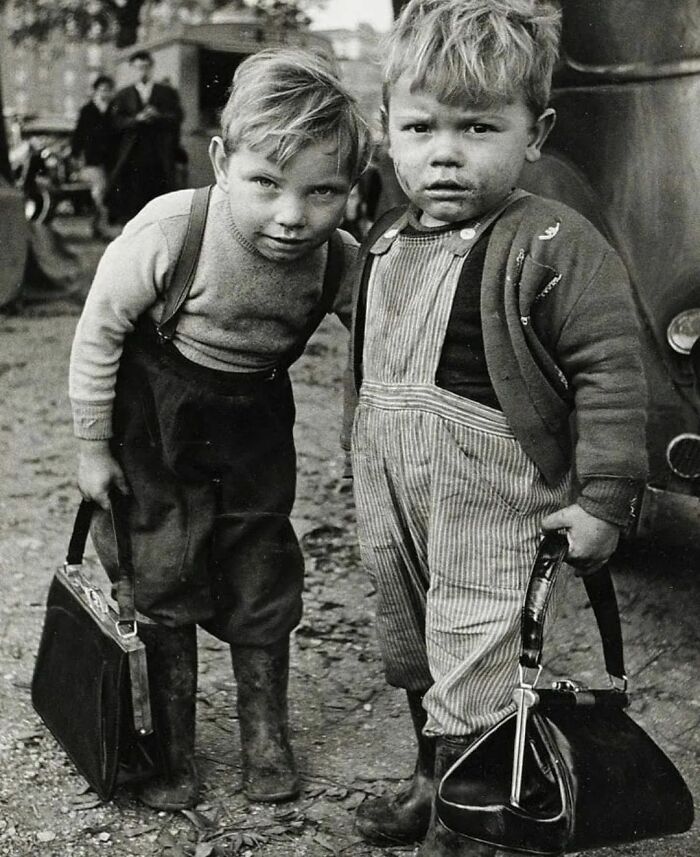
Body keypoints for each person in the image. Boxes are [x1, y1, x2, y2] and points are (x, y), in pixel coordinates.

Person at [343, 2, 648, 854]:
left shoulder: (554, 241)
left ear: (536, 131)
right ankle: (432, 779)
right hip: (396, 495)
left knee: (477, 655)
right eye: (421, 127)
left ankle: (472, 827)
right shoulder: (384, 241)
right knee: (412, 642)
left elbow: (612, 371)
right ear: (386, 131)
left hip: (496, 503)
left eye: (479, 126)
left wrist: (607, 499)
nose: (445, 151)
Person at [69, 48, 371, 811]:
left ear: (351, 192)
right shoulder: (173, 228)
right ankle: (173, 753)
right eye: (266, 183)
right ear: (220, 161)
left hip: (254, 430)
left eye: (322, 192)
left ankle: (264, 735)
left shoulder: (338, 262)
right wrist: (91, 445)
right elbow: (99, 330)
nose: (292, 215)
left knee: (261, 570)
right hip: (155, 429)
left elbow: (388, 331)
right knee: (161, 573)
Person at [107, 50, 183, 224]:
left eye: (146, 67)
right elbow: (115, 123)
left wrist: (158, 115)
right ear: (132, 69)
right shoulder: (123, 95)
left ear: (152, 68)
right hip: (132, 155)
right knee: (133, 194)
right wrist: (136, 119)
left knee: (159, 192)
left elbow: (177, 117)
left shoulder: (166, 92)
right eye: (138, 68)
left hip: (159, 153)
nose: (142, 72)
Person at [70, 74, 117, 239]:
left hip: (111, 160)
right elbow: (78, 135)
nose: (105, 93)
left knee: (104, 193)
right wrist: (76, 155)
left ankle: (98, 226)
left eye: (108, 90)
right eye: (102, 90)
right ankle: (100, 226)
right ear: (95, 91)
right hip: (93, 160)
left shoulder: (113, 109)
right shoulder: (88, 110)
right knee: (98, 192)